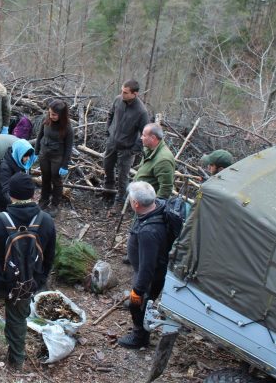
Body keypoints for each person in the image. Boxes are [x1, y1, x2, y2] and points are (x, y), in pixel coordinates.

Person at [0, 173, 56, 370]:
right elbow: (49, 258)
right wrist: (38, 282)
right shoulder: (46, 221)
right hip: (25, 286)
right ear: (33, 195)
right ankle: (16, 363)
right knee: (17, 319)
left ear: (10, 195)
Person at [118, 181, 170, 349]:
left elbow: (147, 267)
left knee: (139, 304)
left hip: (150, 276)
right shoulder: (158, 206)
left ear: (136, 204)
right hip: (148, 270)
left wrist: (138, 291)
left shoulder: (149, 232)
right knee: (141, 301)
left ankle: (140, 337)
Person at [103, 79, 149, 205]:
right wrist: (108, 131)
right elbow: (110, 114)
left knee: (123, 177)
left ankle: (120, 201)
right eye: (122, 91)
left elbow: (145, 134)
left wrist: (133, 150)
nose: (122, 94)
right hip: (112, 143)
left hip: (127, 149)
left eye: (125, 92)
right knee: (107, 168)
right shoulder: (118, 100)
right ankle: (108, 193)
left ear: (135, 94)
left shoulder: (141, 111)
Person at [35, 99, 74, 212]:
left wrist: (65, 165)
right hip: (44, 154)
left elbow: (68, 147)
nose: (51, 116)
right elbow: (39, 136)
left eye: (54, 114)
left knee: (56, 180)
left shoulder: (67, 128)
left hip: (57, 157)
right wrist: (36, 152)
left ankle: (55, 204)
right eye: (50, 113)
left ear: (61, 115)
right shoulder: (46, 120)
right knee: (45, 178)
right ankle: (43, 200)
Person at [0, 139, 37, 213]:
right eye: (25, 156)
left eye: (29, 156)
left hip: (17, 199)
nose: (28, 159)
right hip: (4, 203)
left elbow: (27, 178)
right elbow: (5, 189)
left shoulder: (23, 163)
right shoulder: (5, 167)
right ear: (18, 153)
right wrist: (19, 204)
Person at [134, 123, 176, 199]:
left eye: (144, 135)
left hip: (149, 204)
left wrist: (154, 208)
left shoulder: (163, 160)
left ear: (153, 138)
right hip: (141, 199)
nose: (141, 138)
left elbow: (165, 189)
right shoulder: (149, 149)